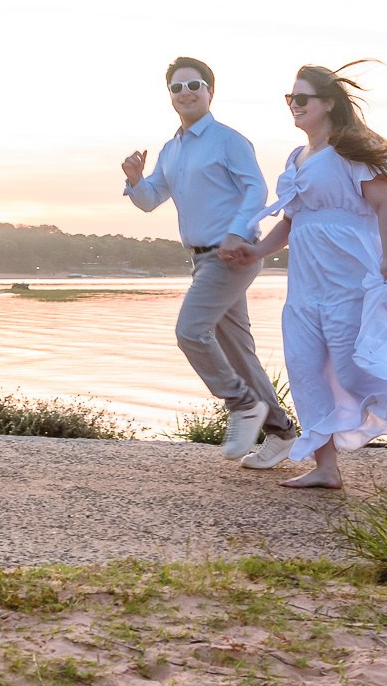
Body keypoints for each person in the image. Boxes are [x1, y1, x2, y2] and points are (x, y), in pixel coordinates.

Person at [240, 63, 387, 489]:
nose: (294, 105)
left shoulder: (352, 149)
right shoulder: (296, 158)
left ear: (328, 103)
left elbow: (386, 205)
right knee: (306, 375)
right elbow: (291, 221)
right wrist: (256, 251)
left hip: (349, 282)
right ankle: (326, 468)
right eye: (290, 98)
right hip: (305, 287)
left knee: (356, 372)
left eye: (302, 98)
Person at [122, 56, 298, 467]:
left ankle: (243, 406)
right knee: (238, 352)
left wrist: (237, 231)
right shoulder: (171, 150)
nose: (185, 93)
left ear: (210, 91)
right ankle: (281, 433)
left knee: (190, 331)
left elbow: (255, 190)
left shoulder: (228, 140)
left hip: (231, 254)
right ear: (169, 96)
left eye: (194, 85)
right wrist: (134, 179)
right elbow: (150, 200)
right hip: (202, 259)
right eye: (177, 88)